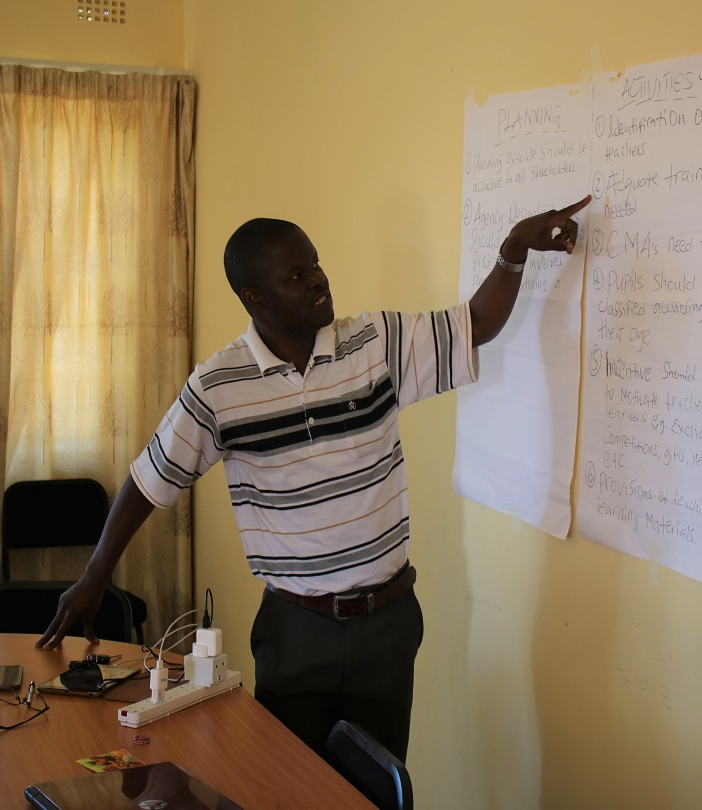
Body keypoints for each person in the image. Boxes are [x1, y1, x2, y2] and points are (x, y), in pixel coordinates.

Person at [37, 194, 591, 761]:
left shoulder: (372, 344)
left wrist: (514, 250)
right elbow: (150, 480)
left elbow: (474, 325)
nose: (318, 280)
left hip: (387, 624)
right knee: (292, 790)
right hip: (297, 631)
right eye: (297, 274)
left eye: (317, 264)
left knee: (378, 785)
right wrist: (95, 575)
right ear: (254, 297)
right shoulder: (218, 388)